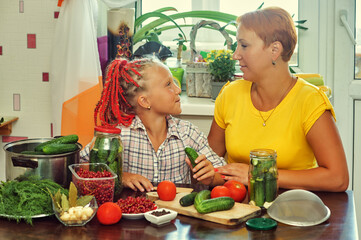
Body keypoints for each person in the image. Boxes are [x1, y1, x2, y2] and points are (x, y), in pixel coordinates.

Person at [207, 7, 349, 192]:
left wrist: (258, 175)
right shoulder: (230, 94)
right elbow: (209, 163)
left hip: (292, 210)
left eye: (244, 45)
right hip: (236, 208)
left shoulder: (310, 101)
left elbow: (338, 178)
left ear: (275, 50)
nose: (236, 55)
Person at [88, 58, 225, 192]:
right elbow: (82, 167)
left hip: (177, 213)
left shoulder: (188, 132)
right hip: (134, 210)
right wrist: (121, 177)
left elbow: (224, 174)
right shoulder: (119, 135)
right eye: (168, 84)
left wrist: (211, 177)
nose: (178, 90)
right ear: (145, 101)